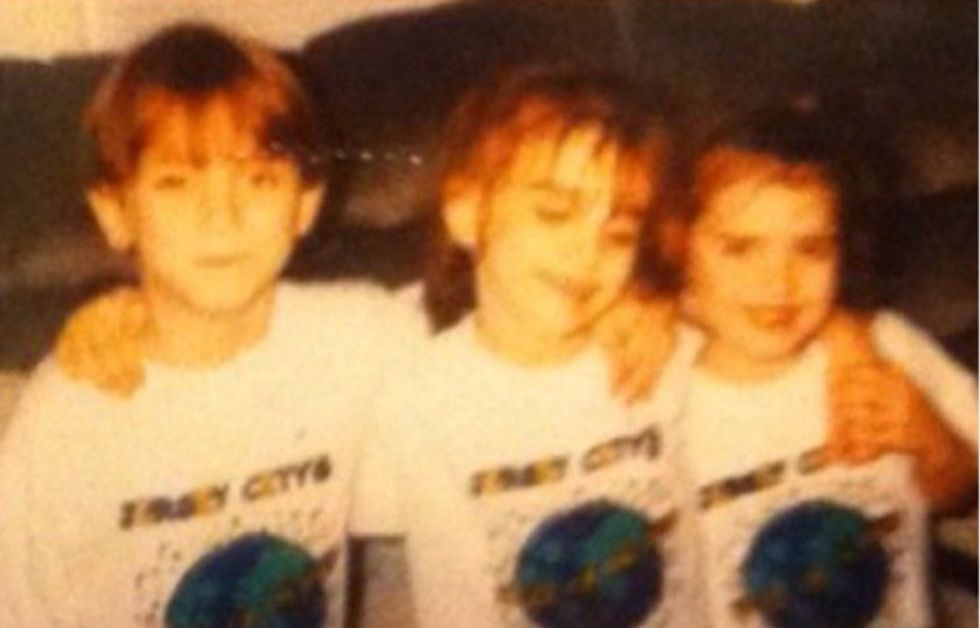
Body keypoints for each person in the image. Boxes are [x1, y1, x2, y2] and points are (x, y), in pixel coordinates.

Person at [0, 23, 426, 627]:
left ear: (305, 204)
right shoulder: (69, 414)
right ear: (115, 212)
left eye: (258, 179)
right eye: (176, 183)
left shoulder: (362, 337)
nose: (221, 216)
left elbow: (499, 328)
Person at [353, 65, 707, 628]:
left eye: (618, 234)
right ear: (467, 212)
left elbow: (775, 313)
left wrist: (666, 302)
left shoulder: (660, 353)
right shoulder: (411, 389)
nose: (586, 251)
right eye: (554, 214)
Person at [673, 106, 977, 628]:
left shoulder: (887, 347)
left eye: (811, 249)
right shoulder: (658, 386)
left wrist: (934, 442)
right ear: (679, 249)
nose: (778, 281)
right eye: (740, 248)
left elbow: (962, 489)